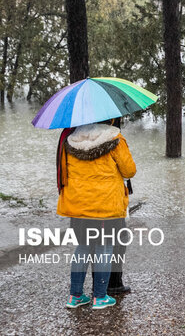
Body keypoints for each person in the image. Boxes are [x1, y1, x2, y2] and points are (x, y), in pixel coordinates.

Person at [57, 118, 136, 309]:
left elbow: (65, 171)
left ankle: (75, 296)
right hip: (105, 206)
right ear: (109, 118)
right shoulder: (115, 138)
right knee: (105, 249)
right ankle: (100, 297)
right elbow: (129, 170)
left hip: (78, 205)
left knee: (82, 248)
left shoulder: (70, 139)